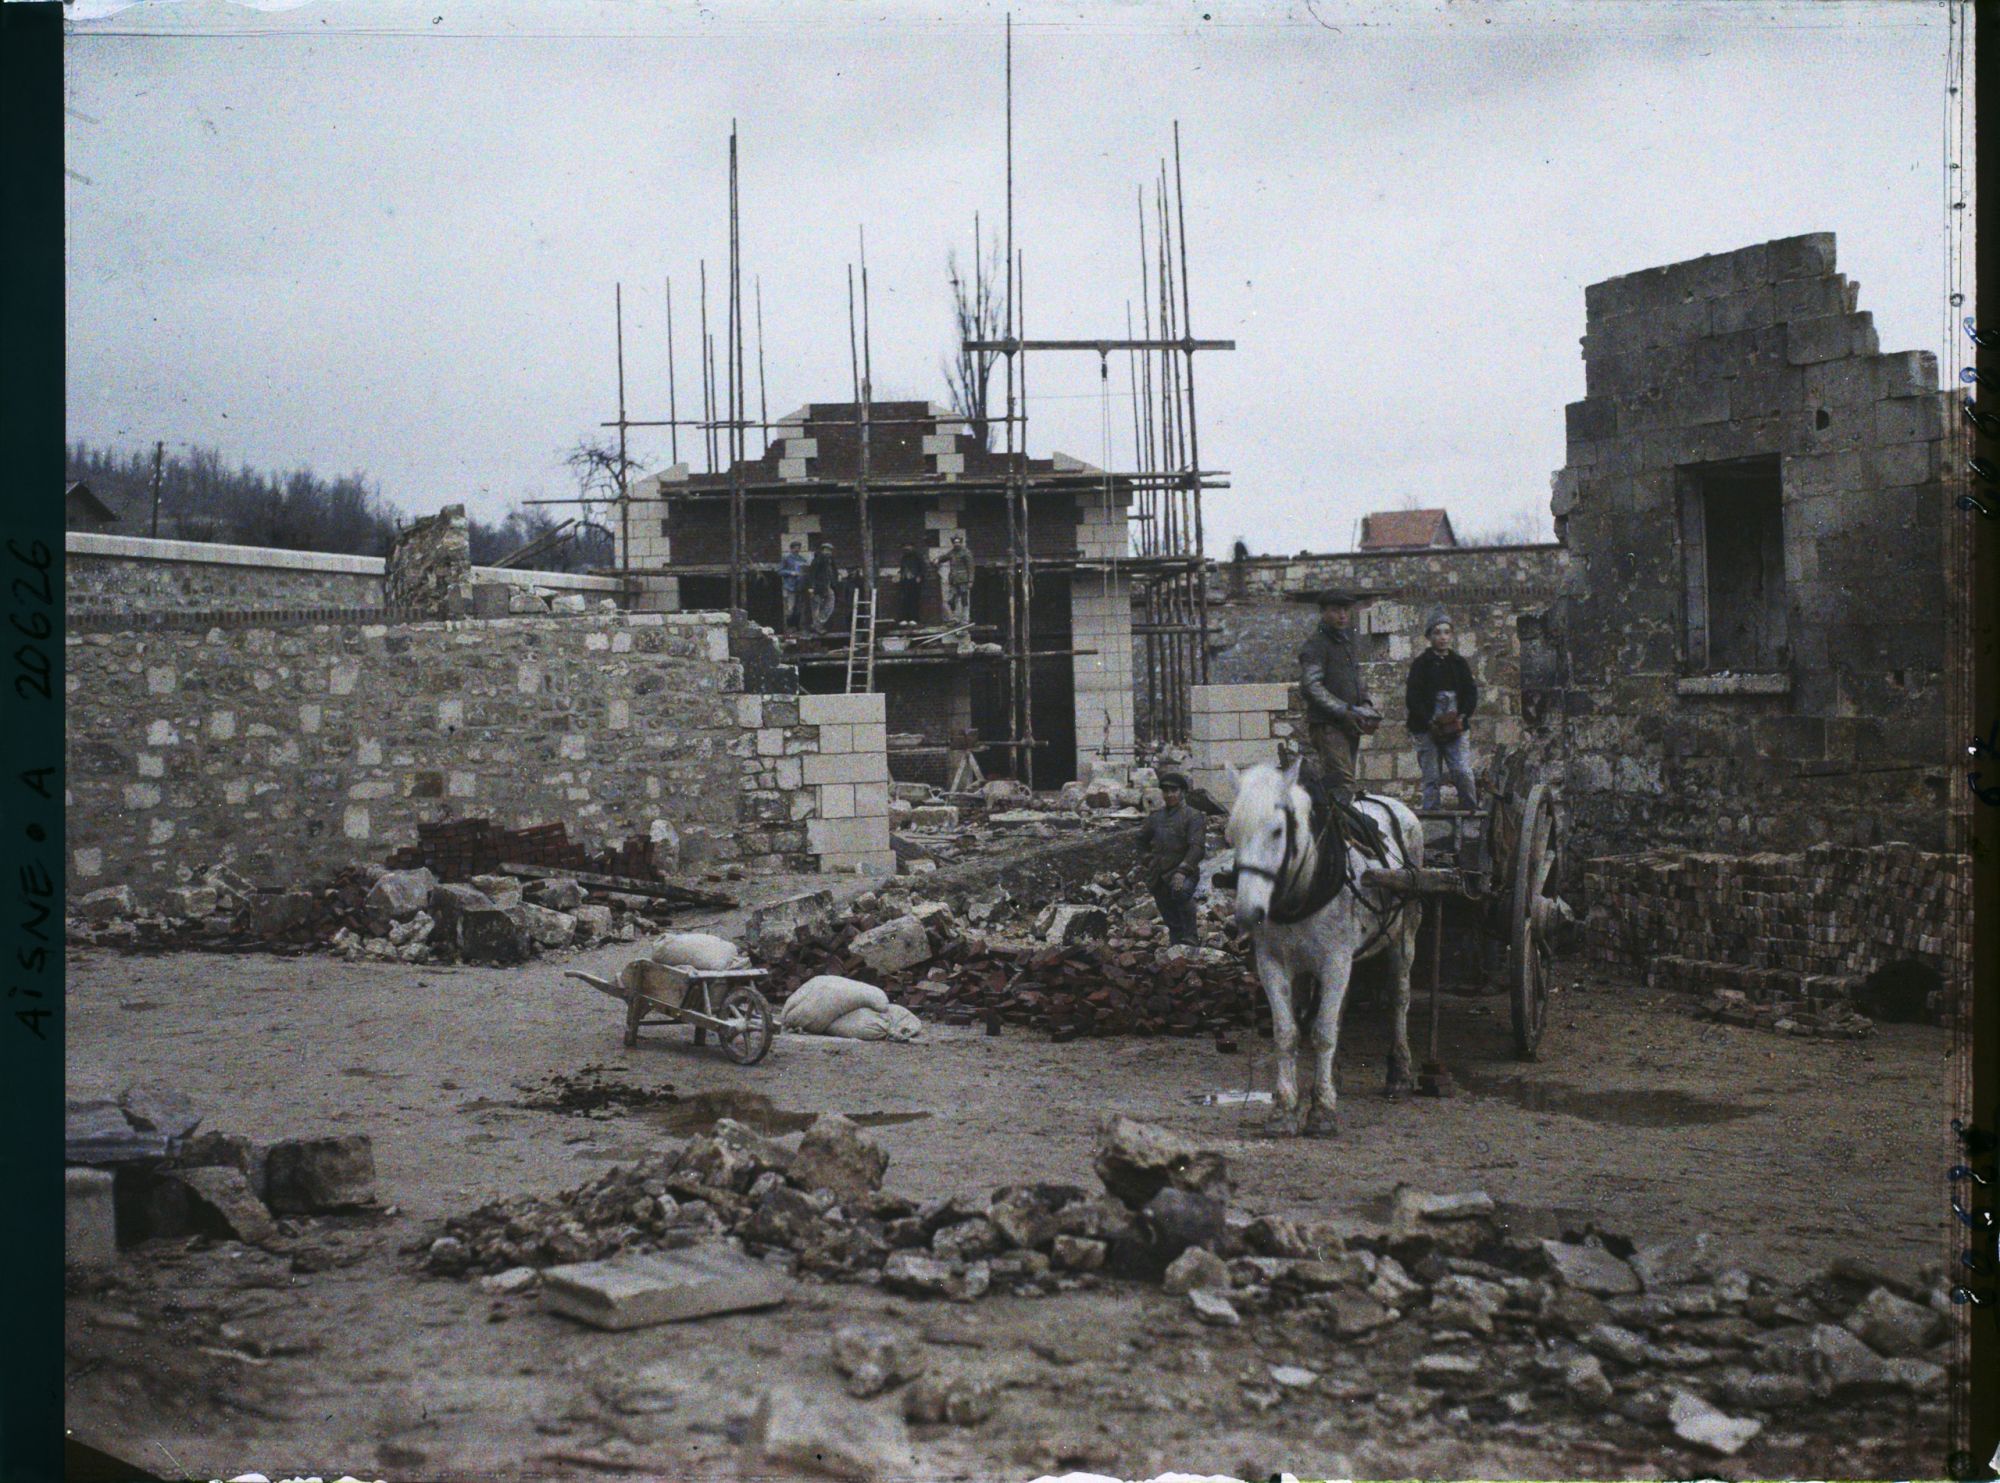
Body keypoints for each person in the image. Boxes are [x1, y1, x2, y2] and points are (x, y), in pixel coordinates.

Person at [1298, 588, 1387, 854]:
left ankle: (1340, 836)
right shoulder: (1315, 645)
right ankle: (1340, 843)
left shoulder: (1346, 642)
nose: (1342, 615)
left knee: (1341, 783)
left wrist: (1366, 704)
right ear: (1323, 612)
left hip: (1349, 724)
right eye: (1336, 610)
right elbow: (1311, 687)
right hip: (1328, 725)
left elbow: (1357, 680)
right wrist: (1344, 709)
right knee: (1341, 782)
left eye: (1346, 610)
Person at [1405, 610, 1480, 811]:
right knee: (1431, 777)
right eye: (1437, 633)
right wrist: (1430, 721)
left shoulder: (1459, 664)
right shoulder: (1421, 665)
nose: (1442, 637)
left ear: (1451, 636)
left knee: (1463, 772)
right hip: (1427, 727)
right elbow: (1413, 698)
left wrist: (1462, 716)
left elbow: (1471, 693)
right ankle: (1432, 818)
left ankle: (1471, 815)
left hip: (1456, 726)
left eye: (1447, 632)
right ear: (1430, 637)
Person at [1140, 771, 1206, 947]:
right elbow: (1141, 841)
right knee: (1165, 907)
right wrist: (1147, 860)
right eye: (1166, 791)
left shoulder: (1193, 816)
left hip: (1184, 872)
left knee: (1181, 892)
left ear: (1183, 792)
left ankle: (1191, 937)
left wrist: (1183, 871)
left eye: (1174, 790)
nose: (1169, 795)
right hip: (1159, 872)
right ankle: (1176, 943)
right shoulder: (1156, 818)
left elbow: (1197, 847)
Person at [939, 533, 974, 625]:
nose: (956, 544)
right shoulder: (952, 552)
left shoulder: (966, 553)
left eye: (958, 542)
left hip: (963, 580)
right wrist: (937, 560)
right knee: (953, 600)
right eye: (955, 542)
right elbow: (944, 557)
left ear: (961, 543)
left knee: (964, 600)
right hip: (954, 580)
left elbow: (970, 567)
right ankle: (955, 618)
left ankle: (965, 619)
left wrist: (970, 580)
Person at [807, 543, 839, 635]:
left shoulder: (830, 561)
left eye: (830, 551)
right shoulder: (817, 560)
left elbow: (833, 573)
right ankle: (817, 626)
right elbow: (811, 574)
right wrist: (811, 587)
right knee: (816, 606)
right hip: (817, 587)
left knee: (830, 603)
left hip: (827, 587)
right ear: (822, 550)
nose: (828, 552)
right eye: (826, 550)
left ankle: (818, 622)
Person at [778, 540, 809, 632]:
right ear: (791, 549)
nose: (797, 549)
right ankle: (789, 627)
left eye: (798, 548)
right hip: (790, 587)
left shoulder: (802, 559)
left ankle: (798, 626)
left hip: (801, 587)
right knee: (790, 608)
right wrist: (791, 573)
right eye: (795, 548)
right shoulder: (786, 558)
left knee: (799, 608)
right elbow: (779, 571)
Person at [897, 544, 927, 624]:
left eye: (909, 548)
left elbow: (923, 568)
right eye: (906, 548)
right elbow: (902, 569)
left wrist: (919, 576)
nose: (907, 549)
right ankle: (904, 619)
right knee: (904, 600)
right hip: (905, 581)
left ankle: (914, 619)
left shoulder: (918, 557)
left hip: (914, 581)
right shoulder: (904, 558)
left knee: (914, 600)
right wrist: (899, 575)